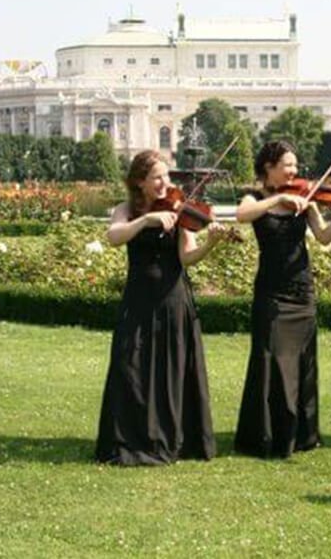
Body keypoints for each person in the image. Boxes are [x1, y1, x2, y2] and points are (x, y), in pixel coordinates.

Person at [234, 140, 331, 458]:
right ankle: (267, 434)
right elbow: (241, 214)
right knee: (273, 360)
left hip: (301, 289)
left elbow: (324, 236)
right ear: (269, 167)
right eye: (287, 165)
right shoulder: (257, 198)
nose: (294, 171)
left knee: (302, 363)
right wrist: (279, 198)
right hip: (271, 291)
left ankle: (302, 434)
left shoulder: (306, 199)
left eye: (295, 166)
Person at [95, 149, 226, 465]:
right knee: (131, 367)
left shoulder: (179, 211)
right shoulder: (126, 209)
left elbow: (186, 257)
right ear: (139, 182)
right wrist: (147, 220)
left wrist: (209, 243)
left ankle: (171, 438)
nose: (165, 183)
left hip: (172, 299)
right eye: (157, 177)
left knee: (171, 370)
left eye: (166, 176)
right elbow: (114, 237)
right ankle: (133, 436)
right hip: (138, 300)